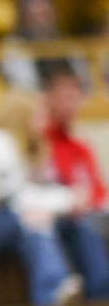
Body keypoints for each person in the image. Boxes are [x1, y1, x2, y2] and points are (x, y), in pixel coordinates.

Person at [0, 87, 109, 306]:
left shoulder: (22, 147)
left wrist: (68, 203)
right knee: (32, 219)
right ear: (21, 117)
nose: (43, 123)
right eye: (38, 116)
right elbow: (16, 200)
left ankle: (100, 290)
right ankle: (51, 291)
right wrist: (69, 200)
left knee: (76, 222)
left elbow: (35, 193)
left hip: (5, 220)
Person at [40, 64, 106, 225]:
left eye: (74, 98)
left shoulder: (81, 146)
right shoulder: (40, 141)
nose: (70, 105)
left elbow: (98, 190)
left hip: (87, 215)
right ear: (48, 97)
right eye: (64, 98)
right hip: (56, 215)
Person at [0, 0, 89, 93]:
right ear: (23, 19)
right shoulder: (13, 47)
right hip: (37, 100)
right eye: (34, 17)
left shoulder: (67, 45)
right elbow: (26, 87)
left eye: (45, 15)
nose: (40, 22)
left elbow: (85, 81)